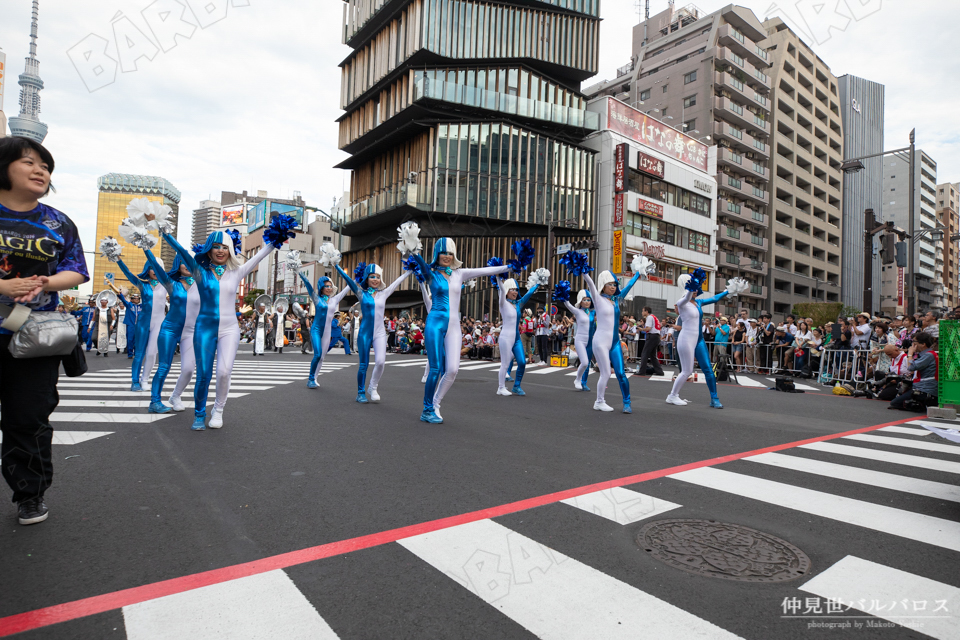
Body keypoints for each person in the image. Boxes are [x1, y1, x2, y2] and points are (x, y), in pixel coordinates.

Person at [0, 136, 89, 525]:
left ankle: (30, 495)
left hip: (34, 335)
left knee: (30, 416)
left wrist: (46, 283)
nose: (40, 171)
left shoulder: (58, 222)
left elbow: (77, 270)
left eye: (45, 166)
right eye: (28, 162)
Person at [163, 222, 286, 430]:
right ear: (209, 249)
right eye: (216, 246)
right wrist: (165, 232)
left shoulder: (236, 271)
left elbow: (259, 256)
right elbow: (182, 251)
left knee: (224, 371)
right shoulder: (199, 271)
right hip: (204, 328)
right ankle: (200, 414)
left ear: (230, 250)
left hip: (230, 329)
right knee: (203, 373)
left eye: (225, 247)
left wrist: (275, 240)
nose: (220, 250)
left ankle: (218, 410)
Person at [408, 236, 509, 423]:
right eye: (443, 252)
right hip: (434, 323)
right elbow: (421, 265)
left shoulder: (459, 273)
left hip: (454, 326)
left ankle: (436, 403)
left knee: (453, 369)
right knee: (436, 368)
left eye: (450, 253)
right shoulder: (431, 273)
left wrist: (510, 267)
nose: (446, 256)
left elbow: (485, 271)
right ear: (437, 254)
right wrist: (414, 250)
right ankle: (427, 409)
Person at [582, 256, 652, 413]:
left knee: (621, 373)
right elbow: (591, 285)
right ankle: (599, 401)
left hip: (614, 342)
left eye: (614, 284)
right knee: (606, 373)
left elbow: (628, 287)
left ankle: (627, 403)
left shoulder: (616, 299)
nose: (613, 287)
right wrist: (584, 271)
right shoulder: (598, 299)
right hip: (600, 341)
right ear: (603, 286)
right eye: (609, 284)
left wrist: (637, 274)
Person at [667, 271, 745, 408]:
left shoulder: (698, 303)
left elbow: (714, 299)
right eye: (693, 287)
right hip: (686, 339)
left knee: (708, 369)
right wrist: (691, 288)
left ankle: (714, 398)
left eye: (697, 287)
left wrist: (728, 290)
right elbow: (685, 299)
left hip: (699, 340)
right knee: (686, 371)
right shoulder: (681, 303)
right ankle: (672, 395)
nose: (697, 290)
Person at [335, 262, 411, 403]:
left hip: (380, 332)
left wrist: (409, 272)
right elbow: (348, 280)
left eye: (377, 276)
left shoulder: (384, 293)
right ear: (367, 278)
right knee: (363, 364)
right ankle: (360, 392)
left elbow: (396, 282)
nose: (375, 279)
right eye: (372, 276)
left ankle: (373, 386)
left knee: (381, 362)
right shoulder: (361, 293)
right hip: (365, 332)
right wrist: (336, 266)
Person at [142, 252, 196, 414]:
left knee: (188, 369)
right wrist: (146, 247)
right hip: (169, 329)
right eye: (183, 261)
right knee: (164, 366)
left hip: (191, 331)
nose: (186, 265)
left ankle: (175, 396)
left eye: (190, 261)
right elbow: (157, 268)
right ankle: (155, 401)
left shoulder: (202, 283)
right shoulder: (171, 282)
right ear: (178, 264)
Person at [114, 249, 167, 392]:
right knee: (139, 354)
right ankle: (135, 381)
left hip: (159, 322)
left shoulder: (167, 284)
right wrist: (118, 259)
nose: (154, 270)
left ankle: (145, 380)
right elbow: (128, 273)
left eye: (158, 267)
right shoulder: (142, 284)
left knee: (151, 353)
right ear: (147, 269)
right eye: (152, 267)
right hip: (143, 323)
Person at [299, 272, 351, 388]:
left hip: (327, 332)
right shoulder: (316, 298)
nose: (329, 288)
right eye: (326, 286)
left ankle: (315, 378)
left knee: (322, 357)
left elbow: (346, 289)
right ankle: (310, 379)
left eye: (330, 286)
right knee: (317, 354)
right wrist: (299, 272)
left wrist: (355, 280)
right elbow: (307, 284)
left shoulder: (334, 299)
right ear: (321, 287)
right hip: (316, 330)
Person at [496, 276, 542, 396]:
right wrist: (498, 277)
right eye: (512, 289)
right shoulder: (503, 303)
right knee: (505, 364)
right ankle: (501, 387)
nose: (515, 292)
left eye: (516, 289)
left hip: (516, 337)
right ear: (507, 290)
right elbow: (501, 290)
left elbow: (529, 293)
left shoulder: (518, 304)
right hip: (505, 337)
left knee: (522, 362)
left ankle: (517, 386)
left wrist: (538, 283)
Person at [889, 332, 938, 411]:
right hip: (921, 387)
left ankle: (922, 404)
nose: (912, 345)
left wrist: (910, 353)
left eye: (914, 342)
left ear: (923, 344)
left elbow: (911, 367)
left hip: (925, 389)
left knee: (895, 403)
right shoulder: (926, 354)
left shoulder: (928, 355)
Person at [563, 289, 595, 392]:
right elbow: (568, 305)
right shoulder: (578, 311)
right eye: (585, 300)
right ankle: (578, 379)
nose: (587, 302)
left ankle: (583, 382)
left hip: (590, 340)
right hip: (580, 340)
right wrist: (563, 294)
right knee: (584, 362)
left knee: (587, 363)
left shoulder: (593, 312)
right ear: (580, 301)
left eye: (589, 300)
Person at [635, 306, 664, 377]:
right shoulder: (653, 317)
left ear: (646, 311)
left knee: (644, 353)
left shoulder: (649, 317)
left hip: (652, 336)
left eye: (643, 311)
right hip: (656, 336)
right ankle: (659, 371)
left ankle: (642, 371)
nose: (642, 312)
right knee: (652, 355)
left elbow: (648, 328)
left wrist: (641, 329)